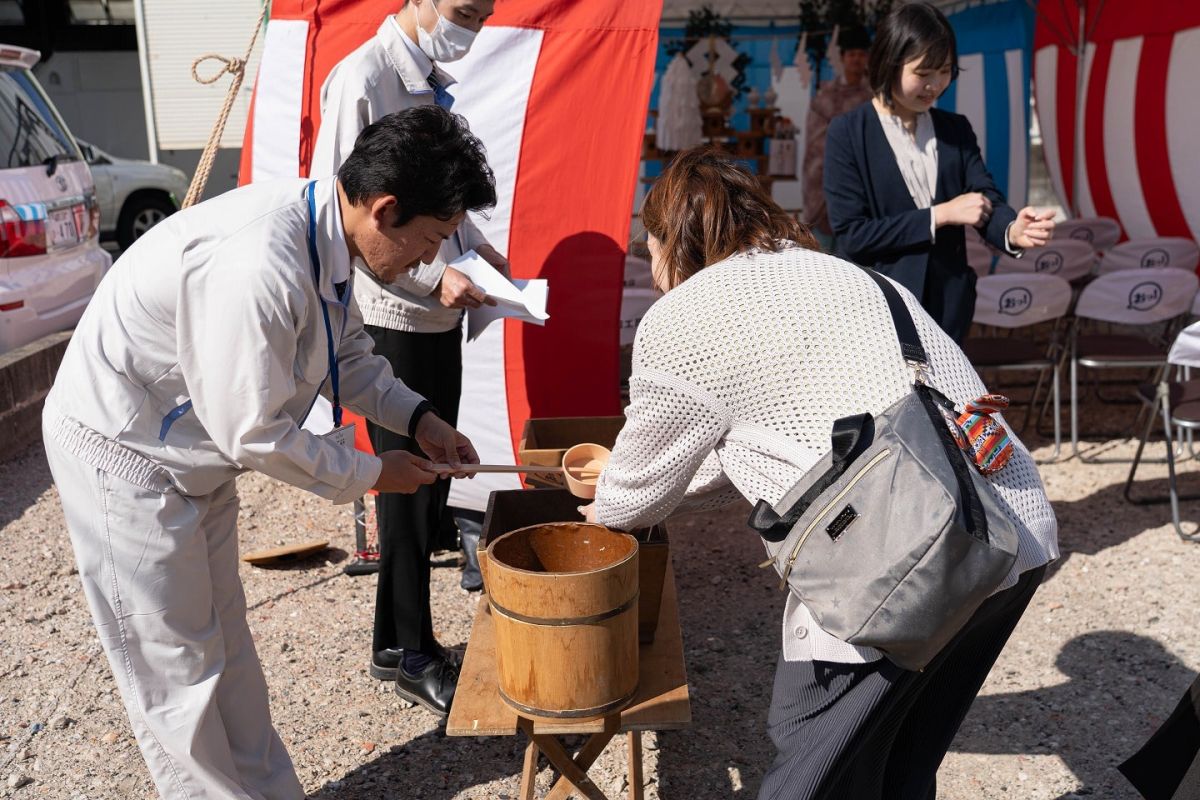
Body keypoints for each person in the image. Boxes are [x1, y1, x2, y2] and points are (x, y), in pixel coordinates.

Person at [41, 106, 496, 799]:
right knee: (176, 671)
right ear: (386, 209)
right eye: (430, 238)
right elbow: (254, 433)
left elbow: (348, 354)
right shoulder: (260, 263)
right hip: (123, 453)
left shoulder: (328, 237)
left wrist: (418, 416)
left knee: (226, 645)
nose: (429, 259)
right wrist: (378, 473)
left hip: (191, 448)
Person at [582, 146, 1057, 800]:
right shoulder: (848, 274)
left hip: (902, 553)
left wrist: (605, 502)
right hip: (1009, 530)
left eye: (651, 252)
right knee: (900, 766)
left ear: (669, 242)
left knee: (811, 774)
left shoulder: (681, 318)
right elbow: (766, 443)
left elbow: (633, 496)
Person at [311, 0, 504, 714]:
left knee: (431, 480)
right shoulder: (361, 77)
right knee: (404, 488)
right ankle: (406, 648)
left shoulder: (426, 79)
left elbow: (434, 192)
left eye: (484, 14)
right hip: (392, 312)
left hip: (434, 314)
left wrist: (475, 249)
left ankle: (401, 636)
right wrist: (433, 271)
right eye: (463, 10)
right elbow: (347, 213)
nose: (473, 27)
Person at [823, 2, 1056, 342]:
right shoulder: (847, 133)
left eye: (945, 71)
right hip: (876, 311)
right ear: (890, 62)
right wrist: (939, 215)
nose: (935, 85)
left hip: (948, 311)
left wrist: (1012, 230)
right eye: (923, 73)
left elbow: (984, 197)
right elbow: (853, 234)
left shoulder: (955, 130)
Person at [801, 26, 872, 249]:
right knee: (821, 260)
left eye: (861, 54)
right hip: (820, 185)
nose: (856, 60)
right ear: (842, 58)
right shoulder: (824, 97)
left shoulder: (874, 99)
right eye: (852, 54)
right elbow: (813, 146)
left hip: (858, 189)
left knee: (852, 264)